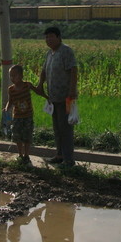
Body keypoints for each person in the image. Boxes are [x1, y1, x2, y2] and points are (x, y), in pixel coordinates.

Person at [37, 27, 78, 168]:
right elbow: (44, 71)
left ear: (59, 37)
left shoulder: (66, 51)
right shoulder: (50, 53)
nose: (48, 39)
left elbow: (73, 70)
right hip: (53, 98)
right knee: (57, 128)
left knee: (65, 128)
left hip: (65, 97)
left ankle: (68, 160)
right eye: (46, 37)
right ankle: (59, 155)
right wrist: (40, 84)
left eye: (51, 36)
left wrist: (72, 90)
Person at [3, 64, 46, 165]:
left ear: (21, 75)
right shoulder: (11, 89)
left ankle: (26, 155)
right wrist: (6, 108)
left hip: (28, 116)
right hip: (17, 116)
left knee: (27, 136)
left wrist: (47, 97)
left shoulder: (27, 85)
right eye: (11, 76)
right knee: (17, 136)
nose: (12, 78)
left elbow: (38, 91)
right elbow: (11, 101)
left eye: (15, 75)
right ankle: (20, 155)